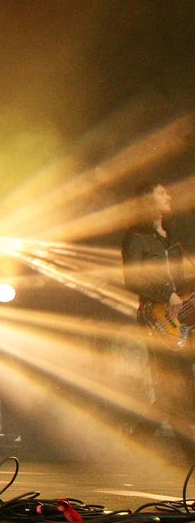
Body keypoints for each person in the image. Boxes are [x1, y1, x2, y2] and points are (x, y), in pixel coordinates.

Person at [120, 181, 195, 459]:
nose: (168, 196)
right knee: (171, 386)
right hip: (155, 315)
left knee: (174, 388)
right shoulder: (136, 237)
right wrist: (168, 294)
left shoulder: (171, 238)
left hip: (180, 319)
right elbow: (133, 278)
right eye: (161, 193)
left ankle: (135, 443)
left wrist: (183, 294)